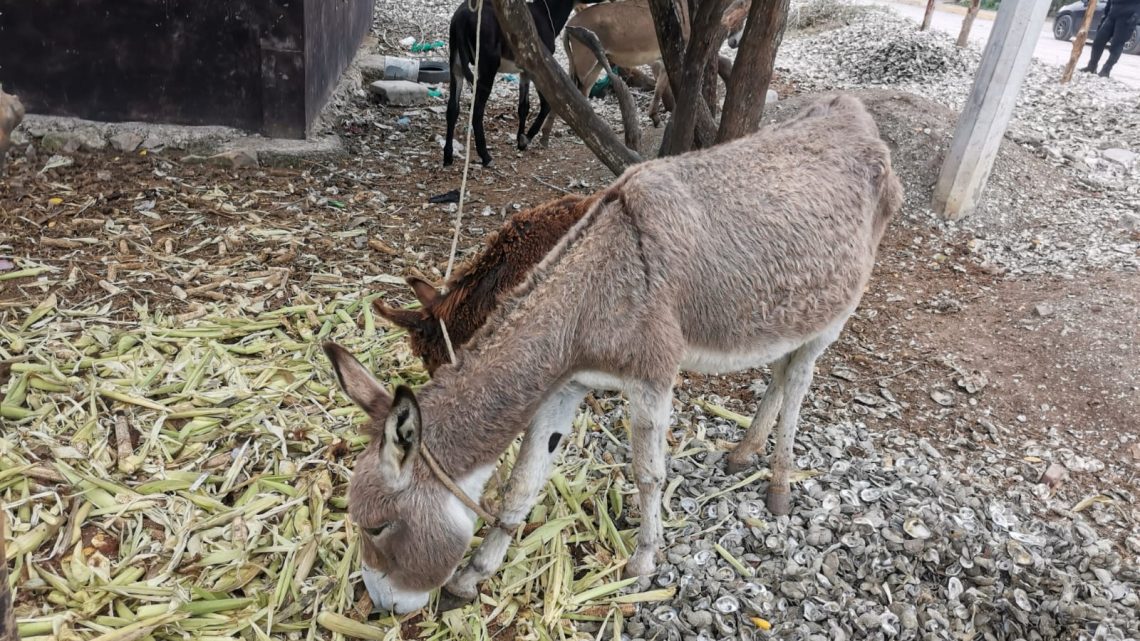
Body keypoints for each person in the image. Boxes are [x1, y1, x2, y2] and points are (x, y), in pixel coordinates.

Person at [1082, 0, 1140, 78]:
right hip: (1112, 13)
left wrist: (1136, 15)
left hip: (1128, 16)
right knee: (1098, 41)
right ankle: (1091, 66)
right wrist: (1106, 13)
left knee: (1117, 45)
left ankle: (1106, 70)